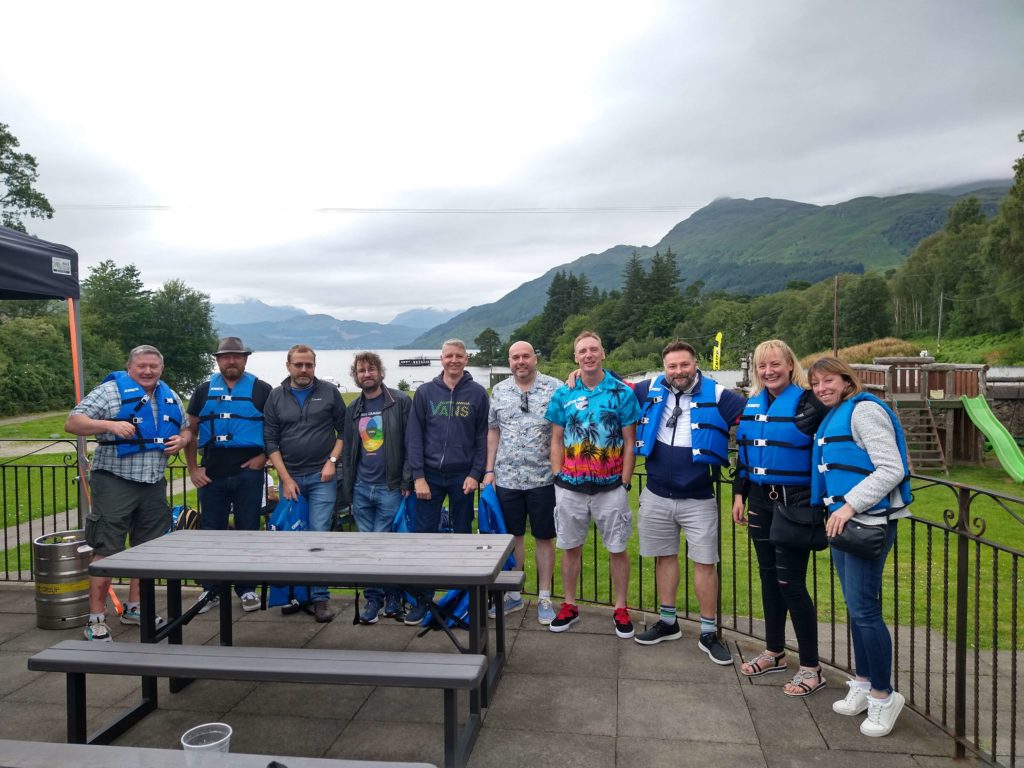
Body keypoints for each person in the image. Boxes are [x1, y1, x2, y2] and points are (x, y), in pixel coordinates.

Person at [808, 356, 913, 738]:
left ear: (845, 379)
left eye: (827, 380)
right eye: (815, 383)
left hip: (865, 524)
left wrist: (849, 504)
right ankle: (865, 682)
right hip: (843, 525)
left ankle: (885, 696)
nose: (821, 388)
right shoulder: (835, 415)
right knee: (856, 609)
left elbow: (891, 468)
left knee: (865, 610)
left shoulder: (864, 411)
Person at [65, 345, 190, 641]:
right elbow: (73, 422)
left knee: (146, 550)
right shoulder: (110, 391)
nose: (147, 371)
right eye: (141, 366)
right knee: (106, 548)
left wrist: (182, 442)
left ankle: (136, 608)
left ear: (161, 369)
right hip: (114, 480)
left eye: (153, 367)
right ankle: (95, 617)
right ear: (130, 367)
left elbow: (185, 430)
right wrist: (109, 424)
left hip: (153, 482)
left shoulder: (169, 395)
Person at [631, 341, 746, 664]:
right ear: (664, 367)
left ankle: (709, 632)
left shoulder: (720, 395)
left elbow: (753, 417)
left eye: (684, 365)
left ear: (695, 364)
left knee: (705, 563)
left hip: (699, 497)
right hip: (656, 494)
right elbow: (612, 385)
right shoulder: (647, 389)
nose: (678, 372)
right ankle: (668, 622)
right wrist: (575, 375)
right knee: (664, 558)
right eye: (672, 366)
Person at [731, 340, 830, 691]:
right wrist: (739, 494)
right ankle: (774, 652)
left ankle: (811, 667)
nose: (768, 371)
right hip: (760, 500)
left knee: (792, 583)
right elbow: (746, 453)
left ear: (790, 365)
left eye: (775, 364)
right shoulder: (754, 403)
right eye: (762, 366)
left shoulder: (809, 403)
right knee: (769, 580)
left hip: (796, 504)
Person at [545, 331, 640, 637]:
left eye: (593, 349)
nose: (588, 355)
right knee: (570, 548)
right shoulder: (563, 394)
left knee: (617, 549)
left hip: (610, 487)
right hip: (570, 488)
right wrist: (558, 477)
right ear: (576, 358)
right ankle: (570, 605)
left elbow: (630, 442)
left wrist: (625, 482)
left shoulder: (622, 393)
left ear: (603, 354)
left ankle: (621, 608)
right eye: (582, 350)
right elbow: (556, 438)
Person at [184, 336, 272, 615]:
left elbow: (275, 430)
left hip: (249, 470)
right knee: (212, 532)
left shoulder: (262, 389)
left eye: (237, 356)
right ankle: (211, 589)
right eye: (226, 356)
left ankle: (246, 589)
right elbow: (191, 432)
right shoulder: (203, 390)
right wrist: (193, 469)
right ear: (218, 360)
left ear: (245, 359)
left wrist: (264, 457)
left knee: (248, 529)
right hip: (213, 472)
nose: (231, 361)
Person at [404, 338, 489, 624]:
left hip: (462, 476)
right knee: (424, 539)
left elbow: (481, 437)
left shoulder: (477, 394)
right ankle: (423, 600)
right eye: (449, 356)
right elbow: (413, 437)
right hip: (429, 477)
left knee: (462, 536)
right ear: (441, 359)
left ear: (466, 359)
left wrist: (475, 473)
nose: (454, 360)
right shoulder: (426, 392)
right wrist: (418, 477)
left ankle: (463, 600)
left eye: (459, 356)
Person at [263, 344, 346, 623]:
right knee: (293, 537)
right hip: (291, 479)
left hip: (323, 478)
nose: (303, 370)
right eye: (298, 364)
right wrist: (285, 479)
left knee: (318, 536)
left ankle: (320, 597)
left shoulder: (329, 392)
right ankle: (298, 594)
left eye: (308, 365)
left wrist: (331, 462)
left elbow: (344, 431)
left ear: (314, 366)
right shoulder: (276, 397)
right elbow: (271, 440)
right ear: (288, 365)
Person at [483, 340, 563, 624]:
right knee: (512, 536)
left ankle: (544, 596)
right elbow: (493, 432)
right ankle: (514, 594)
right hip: (507, 478)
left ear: (535, 358)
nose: (520, 361)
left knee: (544, 537)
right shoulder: (500, 391)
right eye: (515, 357)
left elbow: (560, 432)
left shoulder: (555, 388)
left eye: (525, 356)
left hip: (543, 478)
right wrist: (489, 470)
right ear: (510, 361)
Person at [341, 351, 413, 624]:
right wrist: (348, 488)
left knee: (386, 543)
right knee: (367, 546)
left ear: (380, 372)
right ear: (356, 376)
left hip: (390, 487)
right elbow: (349, 452)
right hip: (361, 487)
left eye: (371, 370)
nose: (366, 374)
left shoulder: (400, 402)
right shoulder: (353, 410)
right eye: (361, 371)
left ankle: (392, 596)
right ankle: (374, 598)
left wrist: (406, 479)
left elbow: (411, 444)